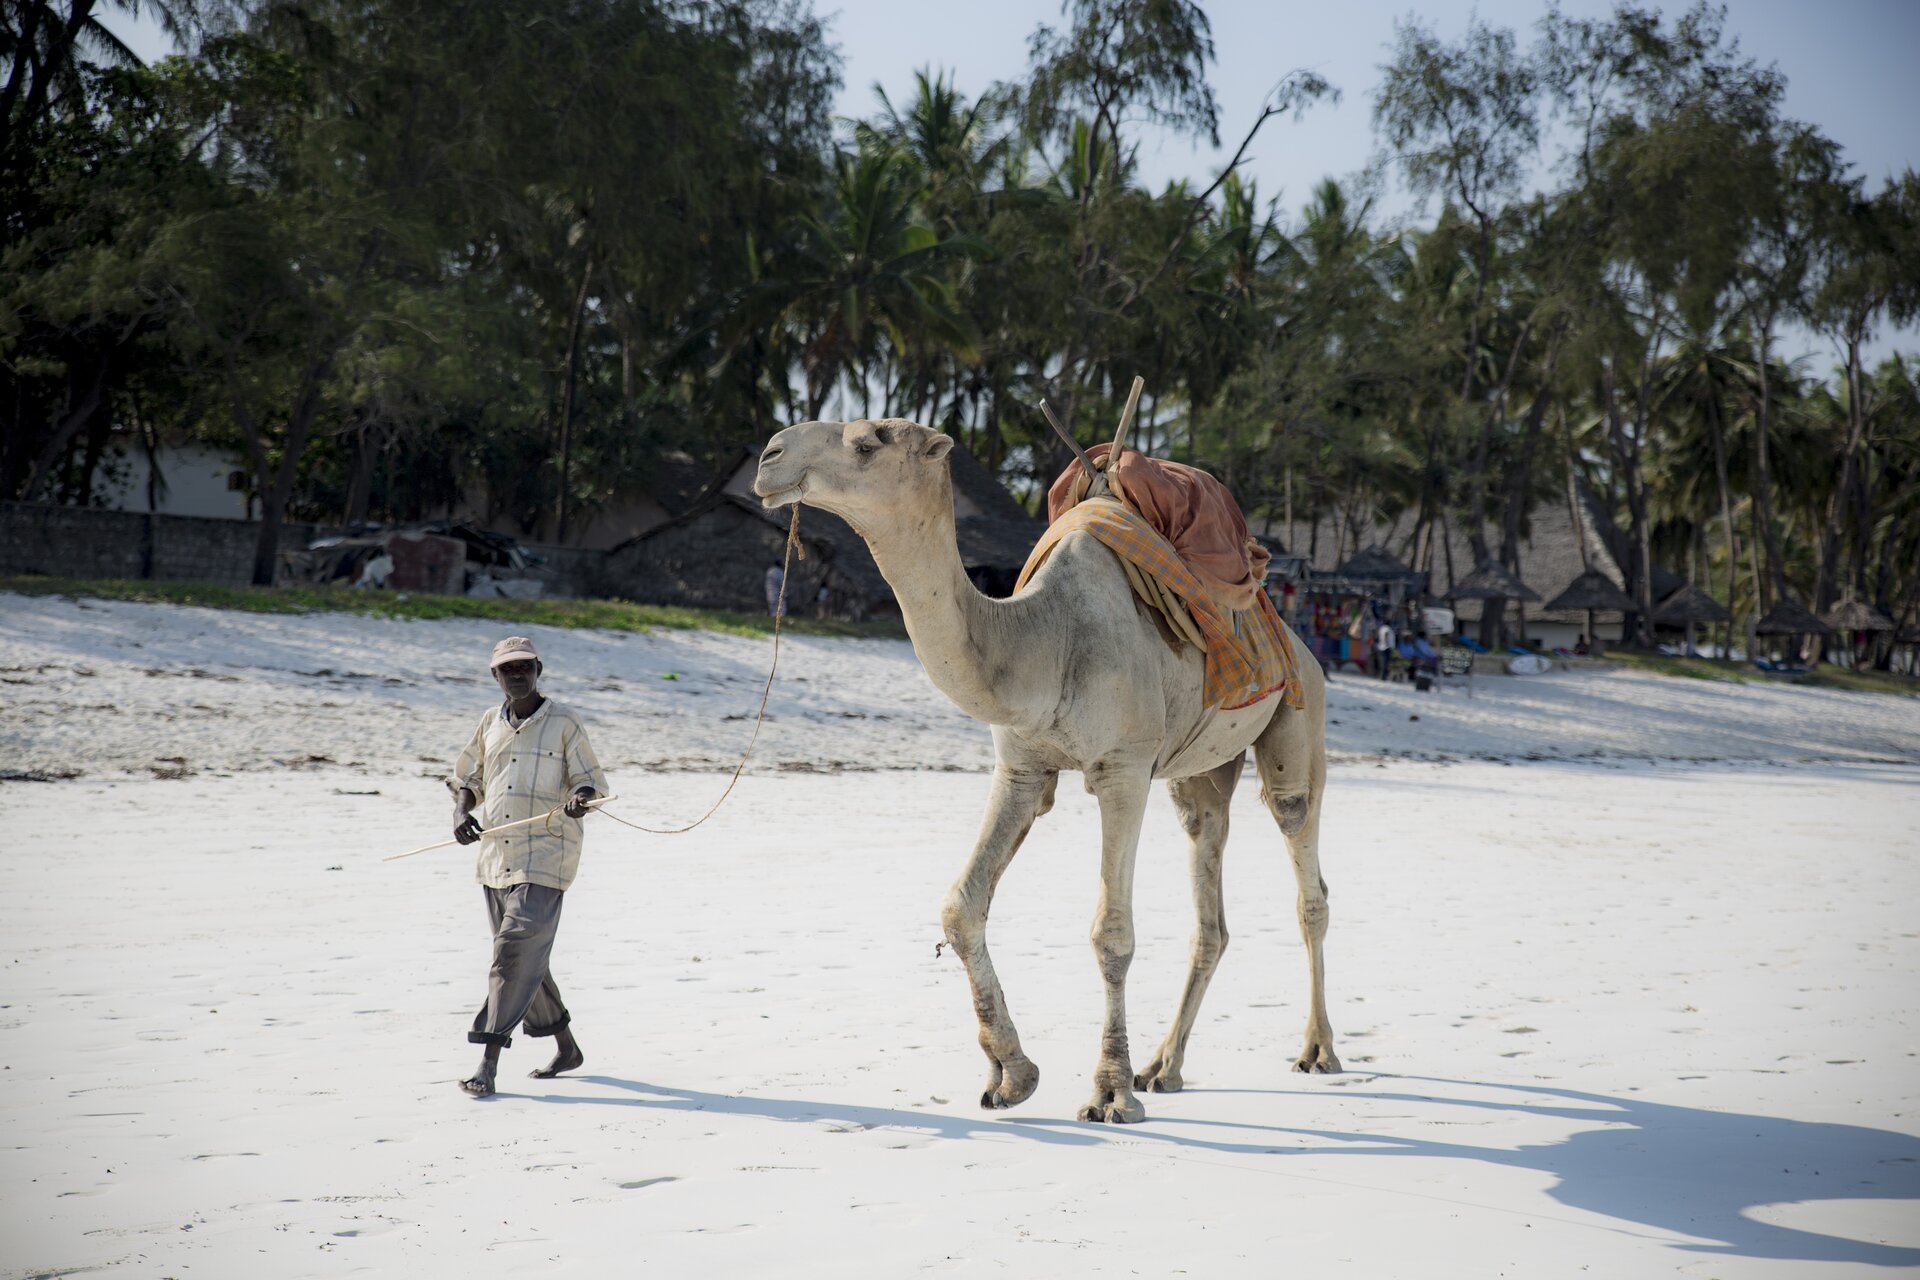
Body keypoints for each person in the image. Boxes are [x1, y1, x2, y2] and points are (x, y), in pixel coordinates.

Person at [448, 636, 609, 1098]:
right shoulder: (488, 723)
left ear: (539, 669)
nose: (517, 675)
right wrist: (462, 812)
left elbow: (590, 782)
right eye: (507, 669)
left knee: (512, 953)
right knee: (525, 957)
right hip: (497, 856)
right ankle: (566, 1047)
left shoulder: (564, 722)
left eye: (525, 667)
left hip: (547, 854)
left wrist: (580, 799)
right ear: (494, 677)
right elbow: (468, 777)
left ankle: (488, 1059)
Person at [1374, 614, 1397, 680]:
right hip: (1386, 648)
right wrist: (1387, 644)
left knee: (1383, 662)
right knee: (1385, 663)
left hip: (1382, 647)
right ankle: (1383, 677)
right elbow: (1386, 635)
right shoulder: (1387, 628)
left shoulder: (1382, 628)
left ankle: (1382, 675)